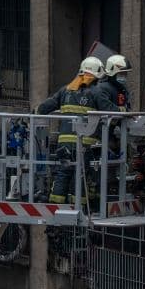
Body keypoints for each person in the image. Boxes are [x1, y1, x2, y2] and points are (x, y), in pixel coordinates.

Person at [36, 56, 118, 204]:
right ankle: (78, 205)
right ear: (95, 75)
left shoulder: (65, 91)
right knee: (81, 174)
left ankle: (56, 204)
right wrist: (124, 110)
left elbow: (44, 108)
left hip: (64, 144)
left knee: (63, 172)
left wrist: (34, 113)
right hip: (84, 145)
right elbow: (112, 111)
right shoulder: (96, 92)